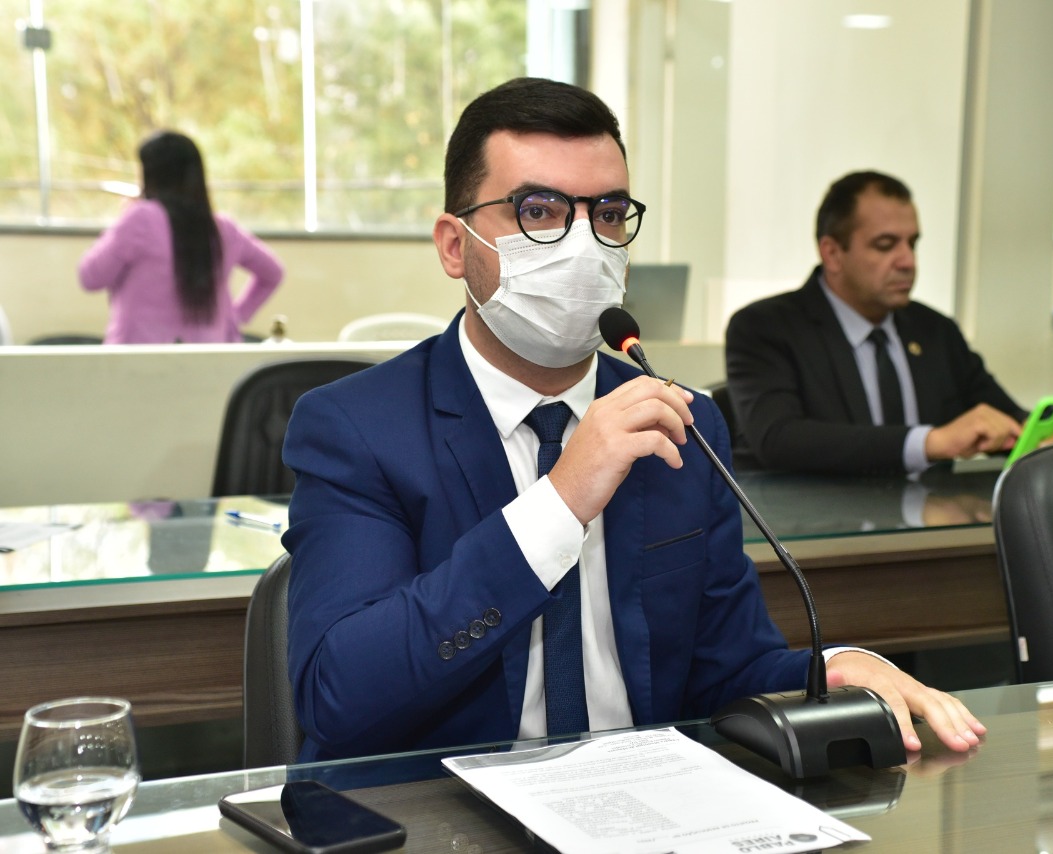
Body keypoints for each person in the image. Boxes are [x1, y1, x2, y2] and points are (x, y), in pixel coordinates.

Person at [281, 79, 984, 764]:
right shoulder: (355, 428)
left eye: (610, 214)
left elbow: (726, 671)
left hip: (645, 802)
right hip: (441, 811)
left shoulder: (680, 421)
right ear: (454, 245)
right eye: (539, 211)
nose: (584, 244)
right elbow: (337, 694)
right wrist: (561, 502)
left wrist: (829, 668)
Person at [726, 170, 1053, 477]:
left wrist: (1037, 434)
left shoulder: (935, 331)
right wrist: (929, 442)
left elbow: (996, 413)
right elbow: (779, 439)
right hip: (812, 529)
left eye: (912, 243)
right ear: (832, 253)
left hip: (931, 524)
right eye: (885, 245)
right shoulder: (765, 328)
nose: (907, 261)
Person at [78, 130, 283, 344]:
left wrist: (123, 221)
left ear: (150, 176)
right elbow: (273, 273)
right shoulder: (224, 228)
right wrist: (235, 317)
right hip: (210, 354)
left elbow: (90, 277)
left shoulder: (141, 219)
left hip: (138, 356)